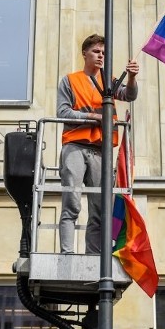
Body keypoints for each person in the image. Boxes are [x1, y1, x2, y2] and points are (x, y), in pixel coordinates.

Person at [57, 33, 139, 254]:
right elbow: (62, 112)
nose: (100, 56)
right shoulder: (70, 80)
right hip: (75, 145)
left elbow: (129, 95)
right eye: (96, 51)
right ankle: (67, 253)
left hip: (101, 151)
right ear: (85, 53)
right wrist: (94, 118)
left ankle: (94, 257)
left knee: (100, 208)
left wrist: (131, 77)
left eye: (103, 52)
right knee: (71, 203)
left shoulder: (109, 83)